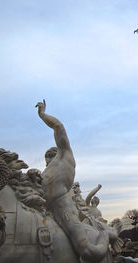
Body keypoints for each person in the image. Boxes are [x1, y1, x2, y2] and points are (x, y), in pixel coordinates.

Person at [36, 99, 112, 263]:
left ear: (58, 151)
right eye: (46, 157)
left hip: (62, 208)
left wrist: (42, 114)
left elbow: (59, 127)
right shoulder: (46, 170)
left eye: (51, 156)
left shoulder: (65, 156)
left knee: (87, 251)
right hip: (42, 206)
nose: (48, 160)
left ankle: (105, 234)